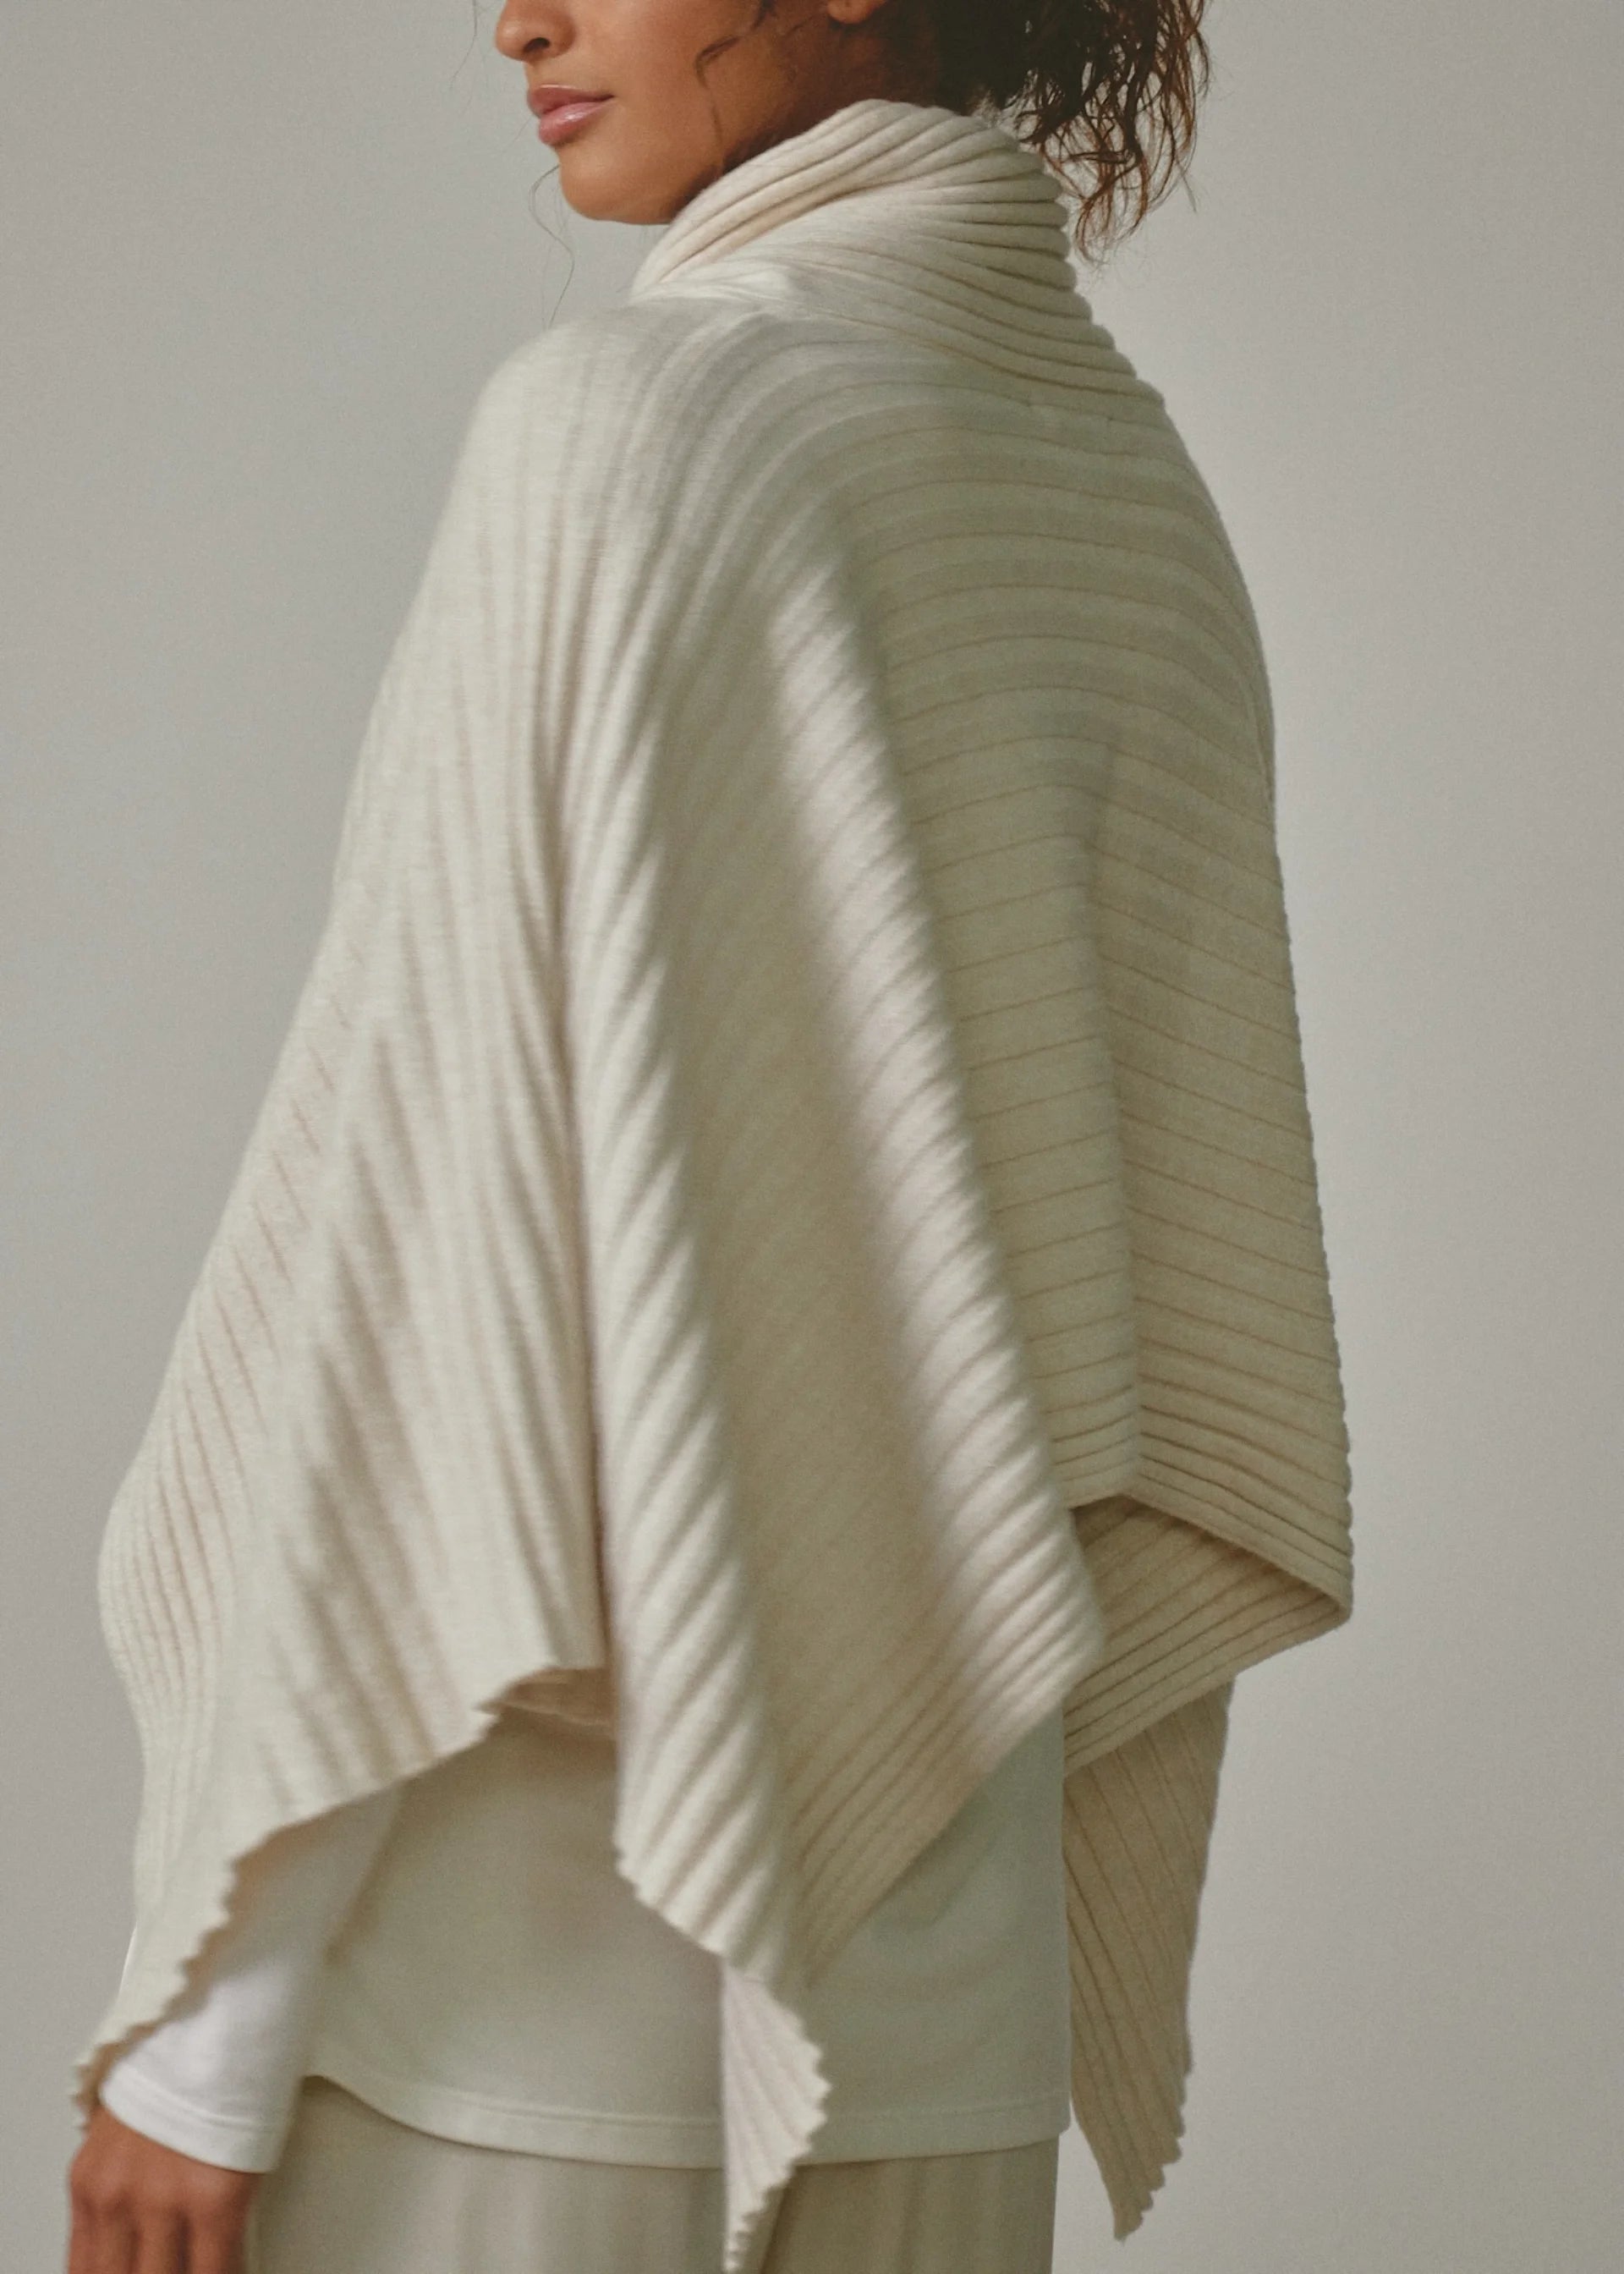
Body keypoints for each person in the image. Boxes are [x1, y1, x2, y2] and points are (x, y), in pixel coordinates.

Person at [65, 2, 1355, 2271]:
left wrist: (206, 2038)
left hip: (500, 2042)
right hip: (943, 2024)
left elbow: (423, 1267)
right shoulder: (1128, 499)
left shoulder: (629, 429)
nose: (519, 16)